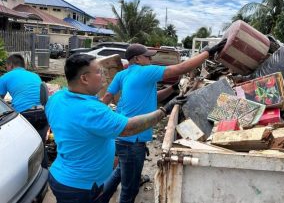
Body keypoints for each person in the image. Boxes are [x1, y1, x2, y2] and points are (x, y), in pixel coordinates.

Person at [45, 54, 186, 203]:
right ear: (84, 79)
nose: (103, 75)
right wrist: (164, 111)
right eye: (98, 71)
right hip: (81, 188)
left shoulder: (57, 97)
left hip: (60, 176)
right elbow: (129, 128)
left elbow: (78, 128)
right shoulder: (92, 110)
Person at [101, 40, 226, 203]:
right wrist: (207, 53)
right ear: (137, 59)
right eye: (148, 57)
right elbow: (182, 68)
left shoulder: (122, 74)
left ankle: (99, 199)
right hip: (133, 140)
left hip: (120, 134)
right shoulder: (145, 72)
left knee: (119, 172)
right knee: (129, 189)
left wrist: (173, 89)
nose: (151, 60)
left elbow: (109, 97)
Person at [0, 54, 49, 167]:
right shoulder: (35, 75)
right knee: (40, 146)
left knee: (21, 150)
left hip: (25, 115)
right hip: (43, 113)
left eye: (6, 66)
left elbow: (0, 101)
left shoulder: (6, 77)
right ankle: (44, 174)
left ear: (10, 65)